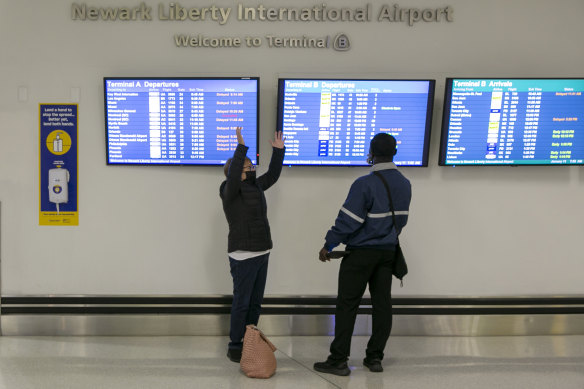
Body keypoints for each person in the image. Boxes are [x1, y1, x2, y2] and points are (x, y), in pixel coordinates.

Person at [314, 133, 411, 376]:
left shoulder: (364, 184)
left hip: (360, 255)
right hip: (387, 253)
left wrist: (329, 243)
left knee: (347, 305)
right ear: (394, 153)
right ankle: (375, 358)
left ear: (371, 153)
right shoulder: (404, 183)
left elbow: (349, 221)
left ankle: (338, 360)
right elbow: (401, 221)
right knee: (382, 305)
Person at [220, 127, 285, 363]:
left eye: (251, 167)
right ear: (236, 172)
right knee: (242, 301)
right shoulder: (228, 191)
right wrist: (241, 148)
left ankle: (250, 338)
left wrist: (278, 152)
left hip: (262, 251)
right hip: (242, 255)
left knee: (255, 301)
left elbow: (274, 175)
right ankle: (235, 345)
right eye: (248, 168)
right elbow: (235, 169)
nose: (252, 170)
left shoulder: (256, 187)